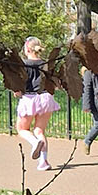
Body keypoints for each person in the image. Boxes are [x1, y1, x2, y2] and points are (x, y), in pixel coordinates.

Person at [13, 35, 59, 172]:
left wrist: (17, 91)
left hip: (30, 98)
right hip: (45, 97)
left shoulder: (23, 65)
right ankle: (43, 162)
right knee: (39, 130)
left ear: (27, 48)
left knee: (22, 129)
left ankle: (34, 143)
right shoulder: (46, 64)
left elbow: (19, 84)